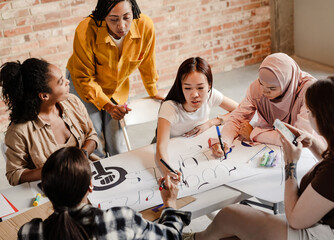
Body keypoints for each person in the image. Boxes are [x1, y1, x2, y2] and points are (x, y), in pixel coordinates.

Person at [183, 76, 334, 240]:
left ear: (326, 120)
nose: (309, 117)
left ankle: (193, 238)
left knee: (230, 215)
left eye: (310, 112)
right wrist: (313, 142)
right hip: (327, 224)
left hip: (318, 233)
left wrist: (290, 164)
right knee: (233, 229)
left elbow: (296, 220)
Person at [18, 147, 191, 240]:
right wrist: (170, 203)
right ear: (91, 187)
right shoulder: (120, 219)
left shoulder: (29, 232)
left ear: (46, 191)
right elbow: (170, 236)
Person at [67, 0, 163, 157]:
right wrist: (108, 106)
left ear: (134, 11)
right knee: (94, 138)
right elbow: (85, 78)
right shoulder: (85, 31)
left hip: (117, 86)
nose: (122, 26)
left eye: (126, 17)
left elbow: (148, 61)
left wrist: (153, 89)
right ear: (103, 16)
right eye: (113, 19)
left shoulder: (145, 26)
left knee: (117, 141)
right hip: (83, 86)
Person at [0, 58, 98, 186]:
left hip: (91, 177)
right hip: (55, 190)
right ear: (44, 96)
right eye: (61, 82)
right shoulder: (19, 132)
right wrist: (54, 169)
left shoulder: (72, 102)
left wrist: (81, 156)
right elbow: (14, 175)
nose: (68, 82)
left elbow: (92, 135)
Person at [212, 53, 318, 157]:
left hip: (309, 151)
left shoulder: (310, 92)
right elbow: (237, 118)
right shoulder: (257, 88)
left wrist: (253, 134)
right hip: (272, 144)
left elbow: (299, 138)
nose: (264, 92)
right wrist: (224, 140)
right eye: (261, 83)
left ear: (287, 84)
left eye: (272, 88)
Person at [155, 57, 238, 178]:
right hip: (172, 151)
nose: (194, 95)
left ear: (209, 85)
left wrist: (211, 123)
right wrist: (168, 171)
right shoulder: (170, 107)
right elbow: (161, 146)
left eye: (200, 88)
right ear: (181, 86)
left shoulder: (211, 95)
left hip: (197, 147)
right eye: (187, 88)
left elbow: (239, 110)